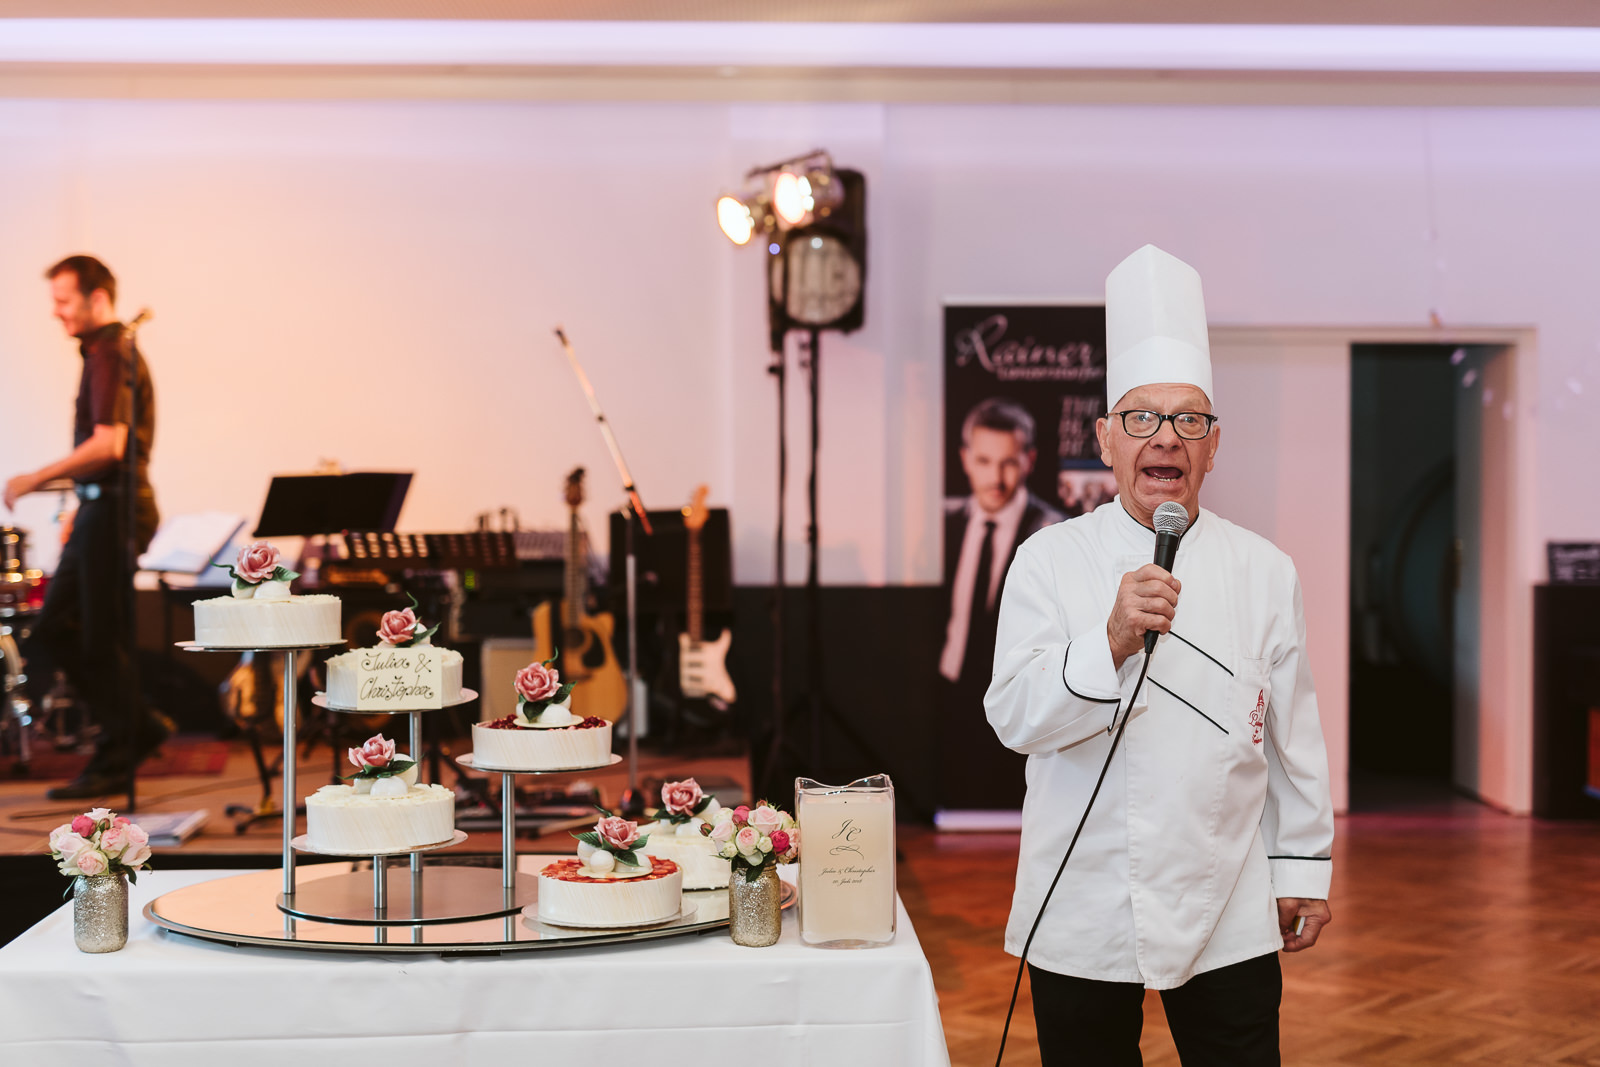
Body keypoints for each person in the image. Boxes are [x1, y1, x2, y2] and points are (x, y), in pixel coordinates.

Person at [985, 245, 1333, 1065]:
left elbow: (1295, 738)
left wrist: (1303, 868)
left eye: (1188, 420)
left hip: (1228, 901)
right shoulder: (1048, 560)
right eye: (1141, 417)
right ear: (1106, 439)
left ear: (1214, 444)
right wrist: (1107, 638)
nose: (1164, 437)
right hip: (1084, 896)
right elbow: (1012, 716)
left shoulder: (1264, 568)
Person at [4, 255, 167, 799]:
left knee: (99, 638)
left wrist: (34, 478)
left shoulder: (112, 350)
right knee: (59, 631)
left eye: (64, 301)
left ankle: (123, 746)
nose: (57, 313)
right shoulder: (104, 351)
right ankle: (135, 728)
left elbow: (109, 445)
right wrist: (78, 501)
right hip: (102, 507)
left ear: (97, 298)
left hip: (119, 509)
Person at [940, 397, 1064, 809]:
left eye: (1008, 462)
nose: (996, 477)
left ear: (1029, 460)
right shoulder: (942, 523)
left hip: (1018, 696)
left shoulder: (1053, 533)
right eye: (984, 460)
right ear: (965, 459)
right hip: (950, 692)